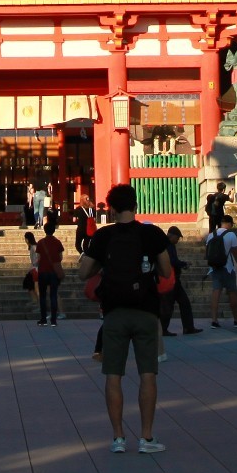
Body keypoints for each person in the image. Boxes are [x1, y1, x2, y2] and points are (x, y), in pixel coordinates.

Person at [81, 183, 174, 454]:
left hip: (114, 313)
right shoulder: (152, 233)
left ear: (110, 208)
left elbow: (83, 272)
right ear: (135, 205)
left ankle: (118, 438)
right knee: (148, 374)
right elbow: (167, 271)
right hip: (146, 311)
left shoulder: (103, 236)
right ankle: (146, 437)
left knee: (113, 375)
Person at [157, 225, 199, 336]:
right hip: (169, 280)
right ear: (172, 236)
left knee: (183, 303)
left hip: (174, 279)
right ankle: (164, 329)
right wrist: (183, 264)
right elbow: (172, 261)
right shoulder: (167, 245)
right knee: (168, 306)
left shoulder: (168, 245)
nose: (178, 240)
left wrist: (182, 264)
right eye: (178, 237)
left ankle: (188, 327)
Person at [204, 215, 237, 327]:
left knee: (216, 292)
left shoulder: (211, 235)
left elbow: (207, 252)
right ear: (230, 223)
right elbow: (236, 252)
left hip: (214, 267)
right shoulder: (231, 235)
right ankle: (236, 319)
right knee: (232, 291)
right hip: (228, 267)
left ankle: (214, 320)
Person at [35, 223, 65, 326]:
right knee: (53, 295)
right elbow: (60, 257)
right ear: (54, 230)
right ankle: (53, 320)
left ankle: (43, 319)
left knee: (43, 296)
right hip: (54, 272)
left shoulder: (40, 242)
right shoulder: (57, 242)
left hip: (43, 271)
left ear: (44, 230)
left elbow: (38, 258)